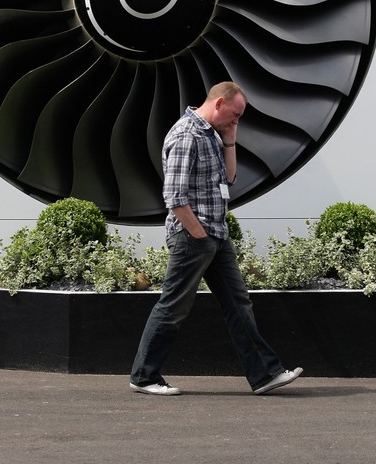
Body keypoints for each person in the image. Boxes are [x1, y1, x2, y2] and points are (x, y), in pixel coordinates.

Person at [129, 81, 303, 396]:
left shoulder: (210, 134)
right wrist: (198, 234)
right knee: (174, 306)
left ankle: (264, 375)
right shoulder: (186, 136)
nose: (236, 121)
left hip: (216, 234)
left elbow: (230, 178)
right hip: (194, 235)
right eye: (234, 116)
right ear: (219, 103)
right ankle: (144, 376)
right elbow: (174, 197)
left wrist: (230, 139)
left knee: (238, 303)